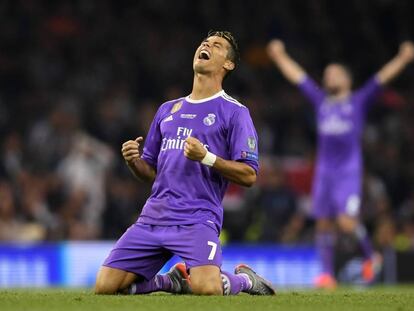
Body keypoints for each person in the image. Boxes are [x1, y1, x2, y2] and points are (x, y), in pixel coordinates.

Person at [95, 31, 275, 296]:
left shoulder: (234, 112)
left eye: (217, 46)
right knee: (105, 287)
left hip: (197, 218)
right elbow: (151, 173)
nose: (206, 45)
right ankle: (170, 281)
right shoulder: (168, 110)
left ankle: (245, 281)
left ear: (228, 64)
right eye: (205, 42)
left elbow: (249, 175)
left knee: (207, 288)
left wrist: (207, 157)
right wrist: (134, 161)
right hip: (153, 218)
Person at [267, 39, 414, 289]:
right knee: (323, 221)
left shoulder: (358, 101)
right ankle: (326, 275)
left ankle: (371, 256)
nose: (328, 78)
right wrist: (280, 56)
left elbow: (382, 78)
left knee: (346, 221)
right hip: (324, 172)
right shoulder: (321, 101)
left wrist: (403, 58)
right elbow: (298, 77)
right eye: (326, 75)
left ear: (346, 79)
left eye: (334, 74)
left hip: (348, 171)